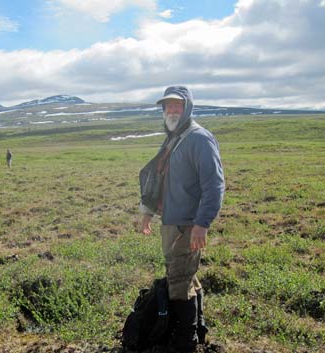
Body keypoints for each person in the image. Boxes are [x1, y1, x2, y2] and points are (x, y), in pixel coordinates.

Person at [139, 86, 224, 353]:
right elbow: (158, 179)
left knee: (179, 280)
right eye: (167, 106)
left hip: (188, 224)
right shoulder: (174, 138)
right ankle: (197, 330)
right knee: (186, 276)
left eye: (177, 106)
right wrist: (147, 212)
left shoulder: (199, 138)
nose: (172, 111)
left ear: (187, 107)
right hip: (171, 222)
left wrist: (202, 223)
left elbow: (215, 185)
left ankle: (184, 342)